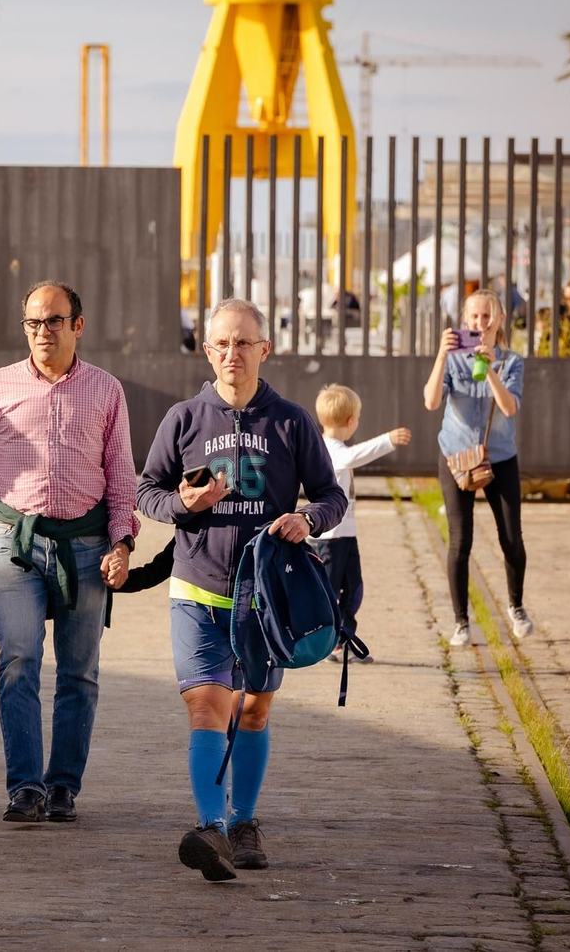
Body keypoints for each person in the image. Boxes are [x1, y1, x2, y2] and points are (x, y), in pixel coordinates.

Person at [136, 297, 346, 882]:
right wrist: (184, 503)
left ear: (264, 350)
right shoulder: (184, 418)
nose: (233, 353)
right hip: (196, 589)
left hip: (265, 598)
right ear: (208, 351)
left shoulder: (292, 421)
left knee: (252, 710)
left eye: (244, 343)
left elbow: (332, 495)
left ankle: (244, 820)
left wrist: (307, 518)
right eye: (222, 343)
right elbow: (147, 491)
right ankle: (212, 827)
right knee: (207, 704)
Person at [0, 281, 138, 824]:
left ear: (77, 325)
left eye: (54, 321)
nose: (43, 332)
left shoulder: (106, 390)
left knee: (80, 672)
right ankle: (25, 787)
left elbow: (121, 478)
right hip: (14, 543)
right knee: (17, 661)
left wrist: (123, 543)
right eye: (33, 323)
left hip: (87, 545)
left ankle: (63, 787)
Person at [423, 288, 530, 644]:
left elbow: (510, 408)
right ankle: (461, 622)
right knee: (460, 540)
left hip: (499, 456)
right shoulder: (453, 360)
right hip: (456, 456)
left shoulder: (512, 361)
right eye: (474, 317)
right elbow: (431, 402)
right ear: (464, 320)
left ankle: (516, 606)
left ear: (500, 319)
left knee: (511, 537)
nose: (480, 323)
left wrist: (492, 368)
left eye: (487, 316)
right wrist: (442, 356)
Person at [311, 383, 412, 656]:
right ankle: (325, 641)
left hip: (346, 535)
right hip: (329, 539)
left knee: (354, 588)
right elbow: (352, 456)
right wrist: (388, 440)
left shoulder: (334, 447)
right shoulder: (328, 450)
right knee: (329, 591)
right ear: (350, 421)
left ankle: (343, 639)